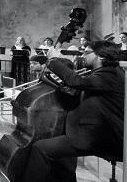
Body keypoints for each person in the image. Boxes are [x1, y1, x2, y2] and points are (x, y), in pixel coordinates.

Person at [20, 41, 124, 182]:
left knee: (40, 148)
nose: (83, 55)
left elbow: (77, 81)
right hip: (92, 131)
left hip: (102, 136)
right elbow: (77, 89)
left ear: (101, 56)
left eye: (87, 53)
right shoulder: (104, 73)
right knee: (61, 152)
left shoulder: (110, 75)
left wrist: (53, 60)